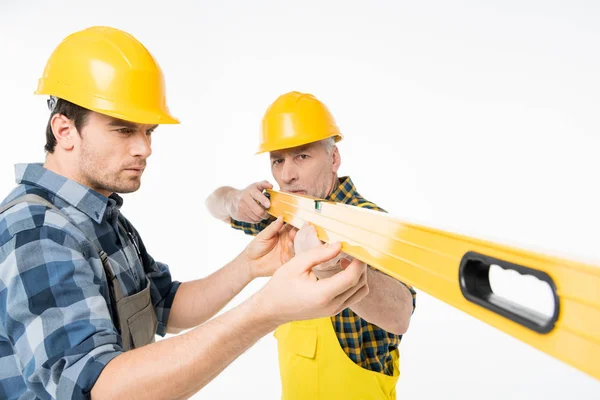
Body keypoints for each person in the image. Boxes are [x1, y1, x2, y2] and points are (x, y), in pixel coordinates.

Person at [0, 27, 370, 400]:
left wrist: (251, 265)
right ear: (65, 130)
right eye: (124, 130)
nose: (144, 148)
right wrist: (266, 310)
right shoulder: (38, 230)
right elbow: (99, 388)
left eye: (149, 132)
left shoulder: (101, 218)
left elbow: (167, 306)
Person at [205, 91, 417, 399]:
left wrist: (336, 267)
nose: (287, 176)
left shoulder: (371, 222)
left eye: (302, 156)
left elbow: (401, 317)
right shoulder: (284, 214)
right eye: (278, 161)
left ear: (333, 158)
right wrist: (233, 199)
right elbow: (213, 204)